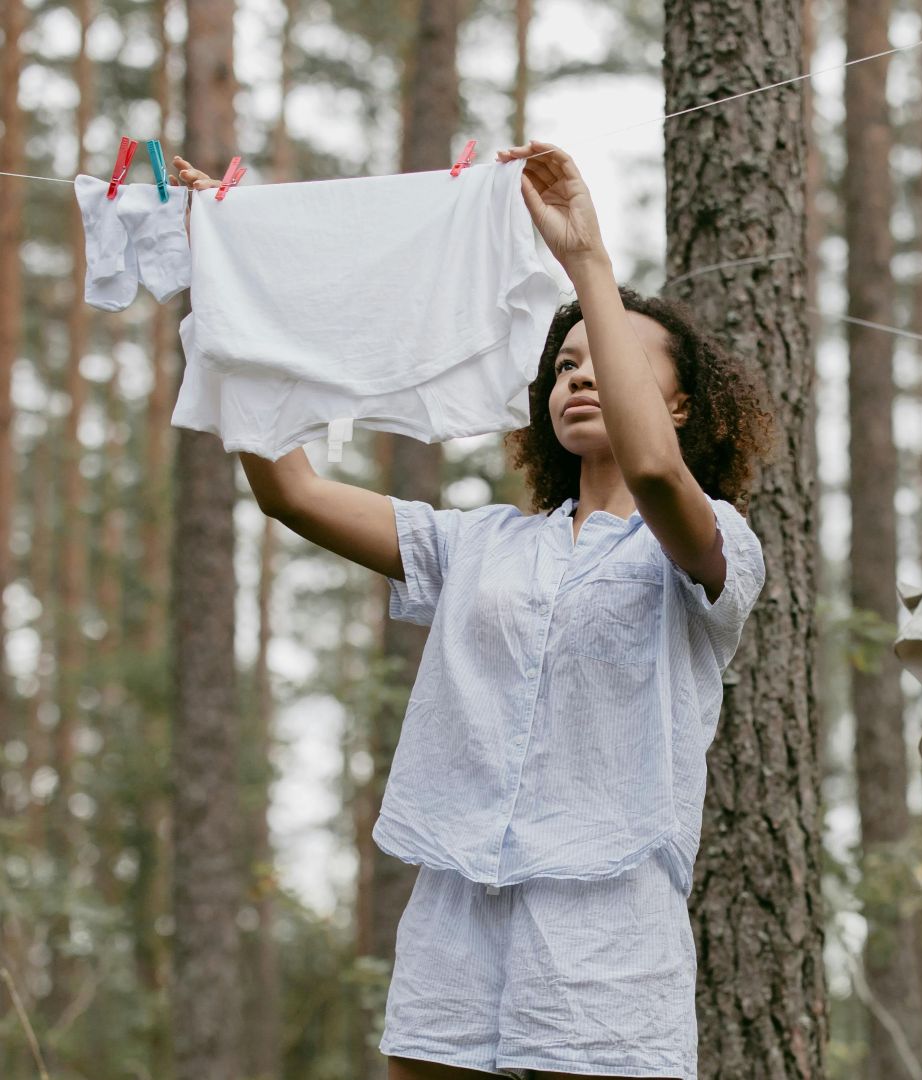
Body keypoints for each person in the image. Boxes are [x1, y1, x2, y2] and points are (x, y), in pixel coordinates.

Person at [170, 143, 774, 1079]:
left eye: (603, 361)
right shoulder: (481, 543)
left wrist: (588, 266)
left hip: (608, 909)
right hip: (456, 895)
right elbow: (288, 490)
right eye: (564, 363)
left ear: (683, 407)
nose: (578, 375)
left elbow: (654, 471)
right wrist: (231, 277)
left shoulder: (714, 544)